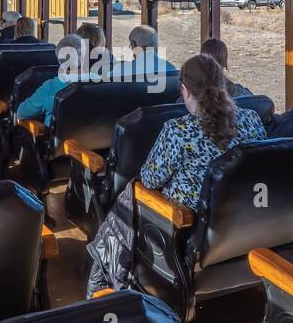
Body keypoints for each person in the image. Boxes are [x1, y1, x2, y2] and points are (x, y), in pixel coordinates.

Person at [85, 54, 265, 293]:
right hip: (244, 221)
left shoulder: (178, 131)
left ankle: (103, 272)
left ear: (185, 91)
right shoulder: (252, 120)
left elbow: (150, 179)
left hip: (183, 227)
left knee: (131, 192)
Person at [16, 34, 97, 125]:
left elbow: (22, 113)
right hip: (96, 136)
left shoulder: (50, 88)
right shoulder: (101, 82)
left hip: (60, 137)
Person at [110, 24, 175, 81]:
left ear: (133, 44)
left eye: (130, 46)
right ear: (156, 45)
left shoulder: (120, 70)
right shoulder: (171, 69)